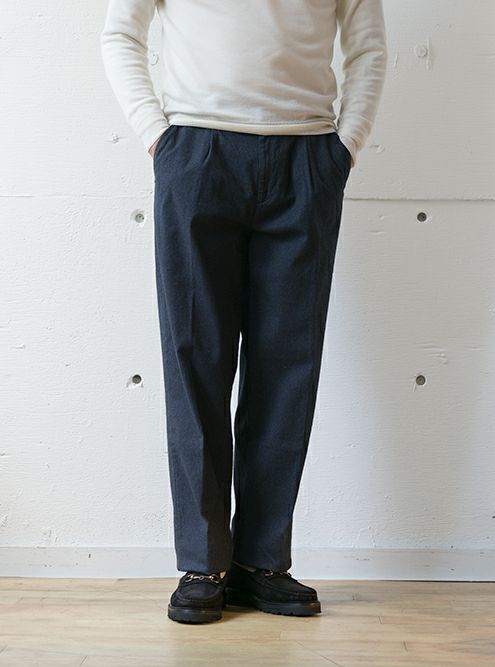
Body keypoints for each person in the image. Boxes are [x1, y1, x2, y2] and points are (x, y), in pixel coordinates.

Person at [100, 0, 387, 624]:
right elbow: (120, 32)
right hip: (196, 154)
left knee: (288, 367)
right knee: (195, 360)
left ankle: (261, 562)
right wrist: (158, 136)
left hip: (307, 157)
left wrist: (345, 146)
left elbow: (367, 46)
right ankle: (204, 562)